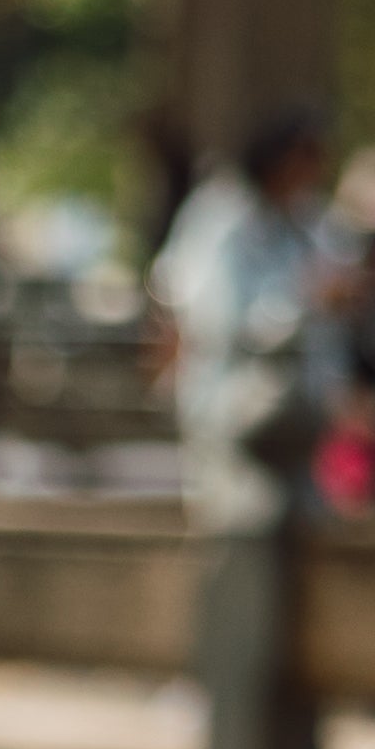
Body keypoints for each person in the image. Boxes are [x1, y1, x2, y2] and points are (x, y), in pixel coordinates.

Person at [150, 106, 339, 500]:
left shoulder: (305, 223)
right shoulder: (222, 217)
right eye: (308, 157)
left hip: (294, 420)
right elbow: (215, 321)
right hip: (227, 409)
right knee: (243, 524)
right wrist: (303, 304)